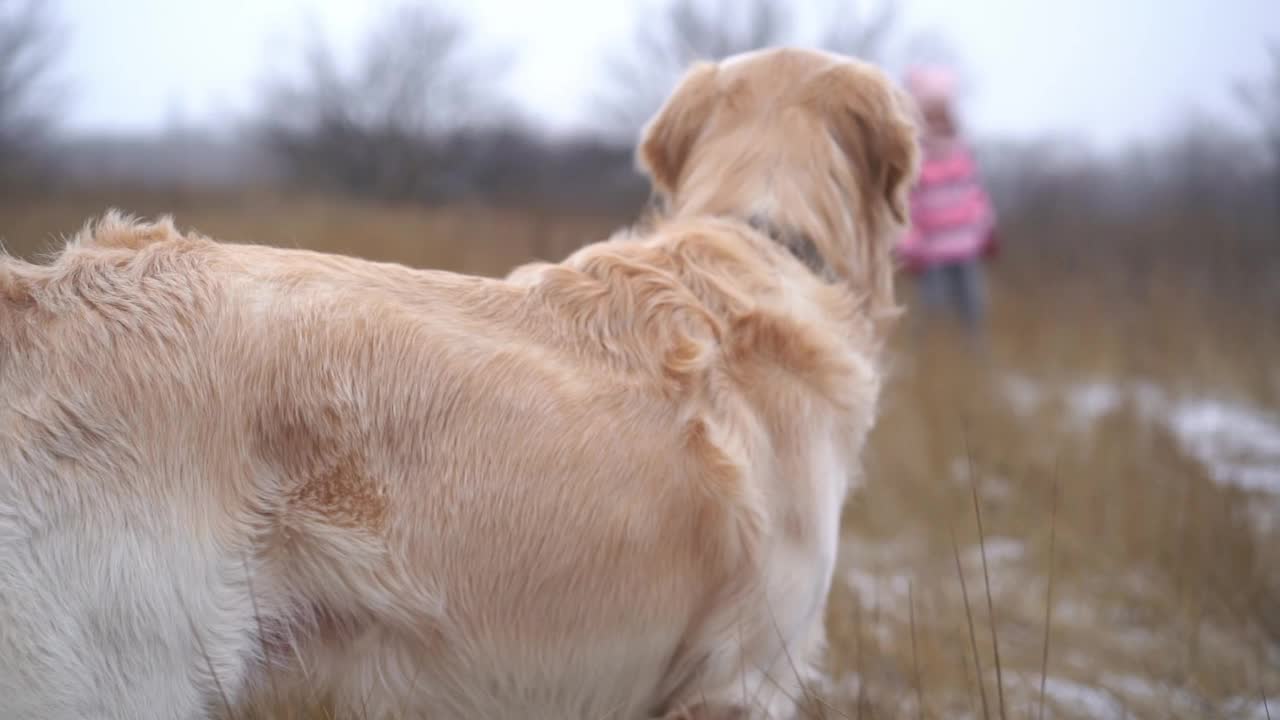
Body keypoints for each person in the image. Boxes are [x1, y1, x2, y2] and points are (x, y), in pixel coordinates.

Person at [896, 64, 999, 346]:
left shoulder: (963, 153)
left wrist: (986, 230)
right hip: (932, 252)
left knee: (974, 307)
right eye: (931, 114)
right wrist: (909, 247)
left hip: (966, 247)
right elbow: (906, 207)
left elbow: (977, 196)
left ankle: (976, 359)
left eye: (942, 112)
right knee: (933, 308)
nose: (938, 120)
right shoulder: (915, 157)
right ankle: (926, 359)